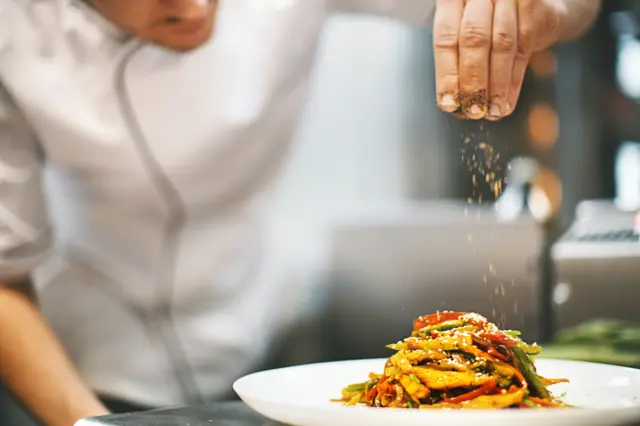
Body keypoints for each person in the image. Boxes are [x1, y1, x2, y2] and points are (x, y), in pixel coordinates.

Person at [0, 0, 601, 425]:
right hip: (83, 355)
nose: (195, 6)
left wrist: (541, 10)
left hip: (263, 342)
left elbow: (577, 6)